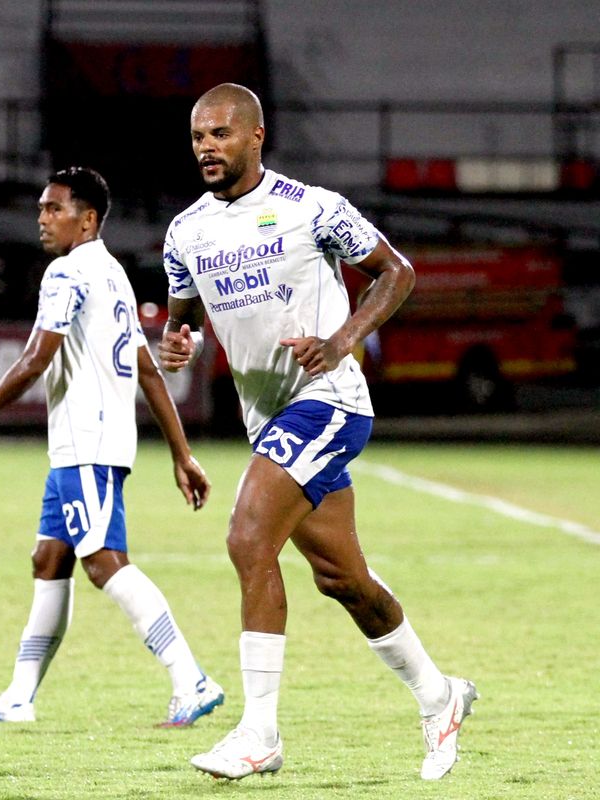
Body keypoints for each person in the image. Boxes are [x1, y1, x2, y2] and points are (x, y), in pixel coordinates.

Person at [158, 83, 476, 780]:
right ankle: (440, 694)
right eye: (198, 137)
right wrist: (174, 344)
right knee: (343, 579)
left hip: (328, 400)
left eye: (220, 134)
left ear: (256, 136)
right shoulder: (185, 231)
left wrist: (341, 339)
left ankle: (259, 733)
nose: (207, 147)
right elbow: (179, 321)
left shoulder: (313, 208)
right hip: (266, 417)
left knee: (248, 536)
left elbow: (397, 272)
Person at [0, 167, 224, 727]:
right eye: (41, 210)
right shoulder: (113, 275)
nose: (43, 219)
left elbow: (36, 358)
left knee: (103, 563)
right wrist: (181, 452)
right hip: (82, 448)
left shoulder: (68, 273)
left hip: (87, 444)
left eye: (55, 209)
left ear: (89, 219)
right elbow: (148, 369)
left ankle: (190, 678)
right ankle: (20, 696)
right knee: (50, 560)